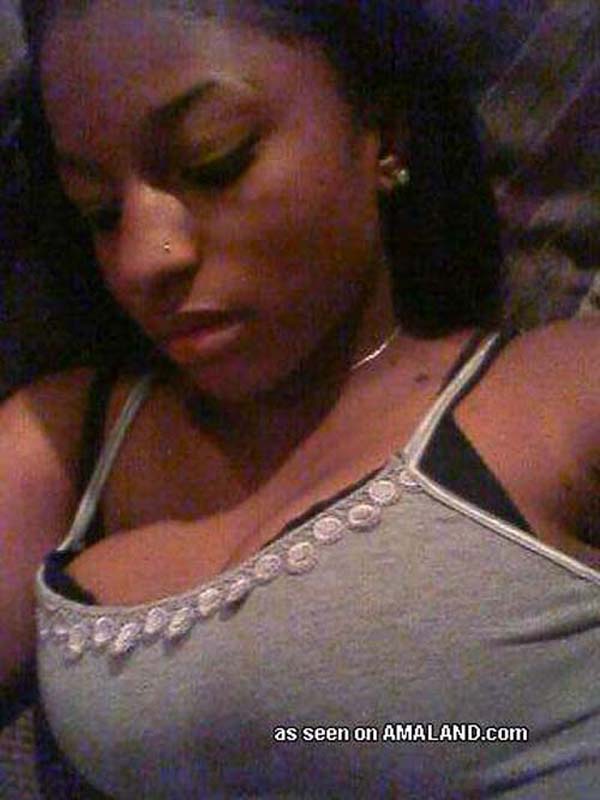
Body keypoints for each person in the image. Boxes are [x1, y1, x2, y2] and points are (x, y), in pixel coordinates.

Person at [0, 0, 598, 797]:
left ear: (382, 134)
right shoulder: (67, 439)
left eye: (216, 162)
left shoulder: (559, 395)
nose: (144, 261)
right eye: (100, 212)